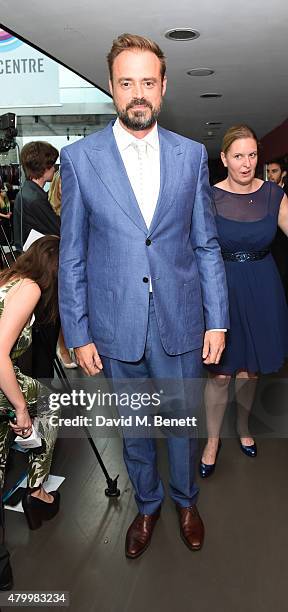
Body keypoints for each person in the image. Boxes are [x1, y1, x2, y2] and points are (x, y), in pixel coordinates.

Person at [59, 33, 229, 558]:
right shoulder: (80, 158)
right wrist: (78, 329)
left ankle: (185, 499)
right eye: (126, 81)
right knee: (134, 429)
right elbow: (73, 255)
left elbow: (204, 243)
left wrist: (217, 320)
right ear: (111, 87)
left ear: (163, 88)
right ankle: (148, 505)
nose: (138, 92)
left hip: (180, 319)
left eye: (148, 82)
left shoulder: (193, 155)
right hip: (115, 325)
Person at [200, 126, 288, 478]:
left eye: (252, 155)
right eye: (238, 155)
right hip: (222, 288)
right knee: (221, 375)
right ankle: (211, 440)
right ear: (224, 159)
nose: (247, 163)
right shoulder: (208, 197)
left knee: (250, 372)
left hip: (263, 287)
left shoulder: (274, 196)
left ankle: (244, 425)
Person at [0, 236, 61, 529]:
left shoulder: (9, 279)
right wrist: (21, 407)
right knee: (49, 404)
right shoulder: (30, 288)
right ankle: (36, 492)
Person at [13, 142, 61, 380]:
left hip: (34, 272)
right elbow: (60, 231)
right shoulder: (34, 198)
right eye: (52, 164)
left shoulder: (28, 193)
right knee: (46, 340)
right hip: (44, 277)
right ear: (45, 167)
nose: (55, 169)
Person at [48, 172, 77, 368]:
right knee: (62, 307)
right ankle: (63, 348)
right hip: (58, 265)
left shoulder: (75, 207)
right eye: (62, 184)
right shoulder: (51, 211)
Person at [267, 158, 288, 299]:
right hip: (270, 249)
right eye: (268, 171)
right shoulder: (265, 194)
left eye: (274, 171)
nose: (270, 175)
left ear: (284, 173)